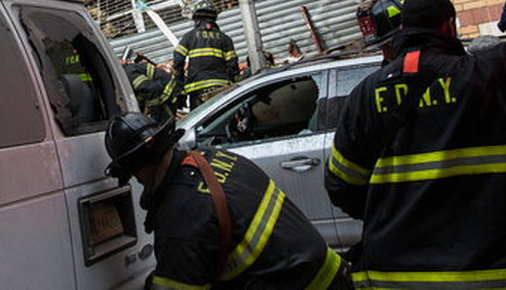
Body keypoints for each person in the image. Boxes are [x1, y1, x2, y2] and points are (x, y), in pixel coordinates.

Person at [325, 0, 506, 289]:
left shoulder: (364, 96)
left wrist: (402, 209)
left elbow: (342, 186)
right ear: (448, 25)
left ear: (401, 32)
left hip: (397, 278)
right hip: (494, 275)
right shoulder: (488, 75)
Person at [105, 112, 351, 289]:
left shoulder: (180, 216)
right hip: (331, 274)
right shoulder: (214, 159)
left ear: (138, 168)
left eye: (134, 174)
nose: (138, 181)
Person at [172, 1, 239, 108]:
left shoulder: (189, 37)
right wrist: (235, 82)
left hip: (197, 88)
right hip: (220, 87)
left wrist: (179, 85)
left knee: (200, 120)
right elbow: (233, 64)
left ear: (196, 19)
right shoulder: (225, 39)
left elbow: (178, 60)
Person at [122, 52, 182, 124]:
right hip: (163, 90)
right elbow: (142, 94)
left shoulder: (128, 74)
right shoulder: (128, 74)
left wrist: (154, 111)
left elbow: (150, 89)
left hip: (166, 92)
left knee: (162, 125)